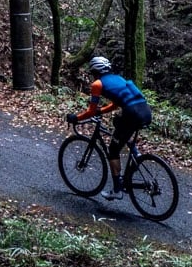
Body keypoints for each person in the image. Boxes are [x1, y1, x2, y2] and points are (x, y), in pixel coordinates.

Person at [65, 56, 152, 200]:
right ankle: (136, 155)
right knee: (118, 123)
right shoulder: (118, 78)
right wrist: (102, 111)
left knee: (113, 150)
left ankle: (117, 190)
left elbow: (91, 111)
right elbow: (116, 104)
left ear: (95, 71)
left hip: (131, 113)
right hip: (145, 111)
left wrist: (76, 118)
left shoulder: (97, 84)